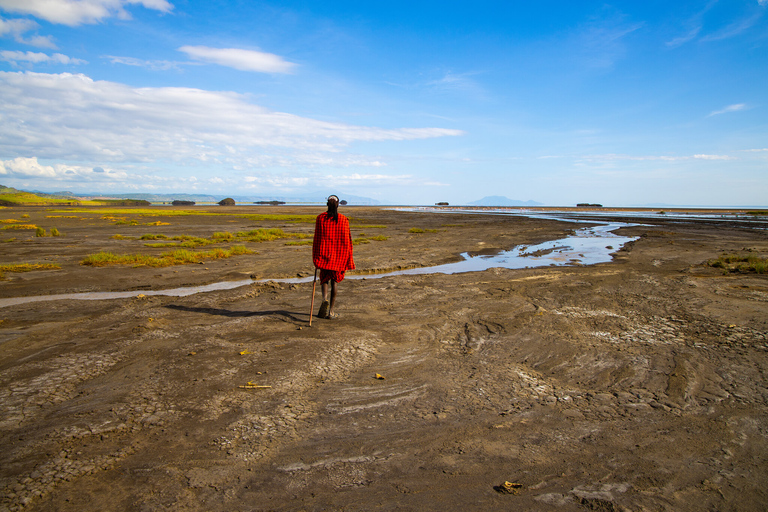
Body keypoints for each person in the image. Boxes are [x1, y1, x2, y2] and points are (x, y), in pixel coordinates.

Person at [312, 195, 355, 319]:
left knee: (324, 279)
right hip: (339, 256)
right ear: (338, 205)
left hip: (324, 254)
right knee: (334, 282)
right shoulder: (343, 219)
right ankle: (331, 311)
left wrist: (316, 256)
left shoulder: (320, 218)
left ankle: (324, 299)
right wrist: (348, 256)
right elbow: (347, 241)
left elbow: (317, 239)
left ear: (327, 204)